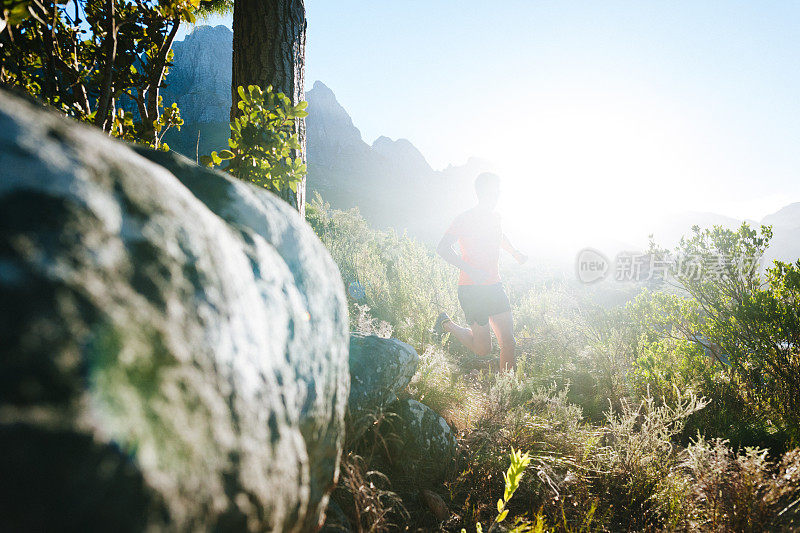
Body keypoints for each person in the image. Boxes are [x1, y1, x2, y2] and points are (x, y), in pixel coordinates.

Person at [432, 172, 527, 371]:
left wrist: (515, 252)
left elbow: (500, 236)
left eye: (498, 192)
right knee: (483, 349)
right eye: (492, 192)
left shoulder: (495, 217)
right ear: (480, 193)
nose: (496, 196)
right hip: (471, 289)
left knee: (508, 342)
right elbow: (442, 248)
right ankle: (445, 323)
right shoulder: (464, 219)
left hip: (494, 285)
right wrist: (471, 271)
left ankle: (505, 394)